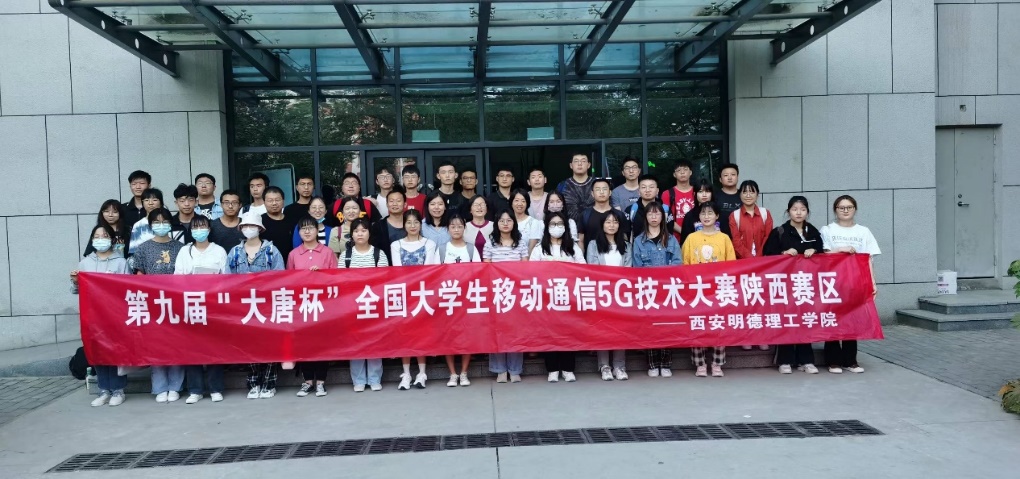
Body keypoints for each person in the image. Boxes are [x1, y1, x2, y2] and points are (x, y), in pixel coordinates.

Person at [226, 212, 286, 398]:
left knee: (269, 343)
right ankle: (253, 383)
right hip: (244, 307)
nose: (248, 229)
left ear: (260, 228)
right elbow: (227, 280)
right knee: (249, 344)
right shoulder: (234, 252)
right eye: (245, 226)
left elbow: (280, 278)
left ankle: (269, 383)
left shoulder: (272, 251)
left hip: (267, 306)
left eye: (252, 226)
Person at [130, 208, 186, 403]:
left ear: (170, 224)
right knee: (156, 345)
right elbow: (139, 275)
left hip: (176, 303)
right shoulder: (143, 248)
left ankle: (176, 386)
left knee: (176, 345)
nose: (161, 225)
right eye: (156, 222)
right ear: (150, 225)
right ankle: (160, 387)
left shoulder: (180, 247)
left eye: (164, 221)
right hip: (153, 304)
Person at [764, 196, 824, 375]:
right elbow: (767, 255)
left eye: (802, 209)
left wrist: (815, 251)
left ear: (807, 212)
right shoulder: (779, 232)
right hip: (785, 285)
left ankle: (806, 360)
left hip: (806, 285)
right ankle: (785, 360)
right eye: (795, 209)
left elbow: (824, 255)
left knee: (805, 320)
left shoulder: (813, 232)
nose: (799, 213)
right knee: (787, 320)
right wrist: (783, 253)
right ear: (788, 211)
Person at [820, 195, 880, 374]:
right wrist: (840, 249)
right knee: (832, 319)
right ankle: (833, 361)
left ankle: (850, 360)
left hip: (855, 282)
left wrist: (873, 282)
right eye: (841, 207)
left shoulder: (864, 232)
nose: (845, 210)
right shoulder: (827, 230)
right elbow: (822, 255)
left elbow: (868, 259)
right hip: (833, 282)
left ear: (855, 209)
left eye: (849, 207)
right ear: (835, 210)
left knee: (852, 320)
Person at [72, 224, 130, 407]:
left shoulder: (121, 262)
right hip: (93, 315)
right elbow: (77, 290)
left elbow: (128, 288)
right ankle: (104, 389)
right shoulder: (85, 263)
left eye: (104, 236)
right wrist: (75, 281)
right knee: (98, 351)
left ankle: (118, 390)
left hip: (114, 314)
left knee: (115, 351)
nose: (100, 239)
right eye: (96, 236)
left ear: (112, 239)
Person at [173, 215, 228, 404]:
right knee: (192, 347)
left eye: (202, 226)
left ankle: (215, 388)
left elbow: (227, 278)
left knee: (214, 347)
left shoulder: (219, 251)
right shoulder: (184, 251)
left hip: (213, 305)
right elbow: (177, 278)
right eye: (195, 227)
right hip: (191, 305)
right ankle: (195, 390)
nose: (199, 230)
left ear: (209, 229)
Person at [682, 202, 736, 378]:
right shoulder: (691, 238)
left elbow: (731, 264)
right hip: (697, 290)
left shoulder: (724, 238)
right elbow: (685, 263)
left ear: (717, 216)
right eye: (703, 213)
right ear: (699, 216)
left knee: (718, 325)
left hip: (718, 289)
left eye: (710, 213)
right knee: (697, 325)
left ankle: (717, 363)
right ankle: (700, 364)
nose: (706, 216)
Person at [529, 212, 585, 383]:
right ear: (547, 227)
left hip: (568, 298)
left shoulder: (572, 247)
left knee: (569, 333)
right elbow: (531, 271)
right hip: (547, 299)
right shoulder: (540, 248)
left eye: (560, 224)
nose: (556, 227)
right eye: (552, 224)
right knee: (549, 333)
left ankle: (568, 368)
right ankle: (552, 369)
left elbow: (582, 268)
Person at [287, 215, 339, 398]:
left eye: (311, 228)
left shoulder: (327, 252)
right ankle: (308, 381)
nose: (307, 231)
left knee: (321, 344)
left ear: (318, 230)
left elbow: (336, 279)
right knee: (303, 344)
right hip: (301, 307)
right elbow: (288, 281)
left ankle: (321, 382)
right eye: (303, 228)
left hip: (323, 306)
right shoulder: (293, 254)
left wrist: (321, 275)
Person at [390, 210, 439, 390]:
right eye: (409, 222)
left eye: (416, 222)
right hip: (403, 294)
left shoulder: (429, 243)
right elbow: (398, 270)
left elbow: (428, 270)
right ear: (404, 224)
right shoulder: (396, 244)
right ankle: (406, 373)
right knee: (405, 334)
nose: (412, 226)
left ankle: (422, 373)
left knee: (421, 334)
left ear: (421, 224)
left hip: (422, 294)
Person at [338, 218, 389, 392]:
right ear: (351, 234)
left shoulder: (379, 254)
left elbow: (384, 280)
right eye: (356, 231)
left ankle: (374, 378)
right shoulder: (346, 256)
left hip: (374, 305)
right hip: (352, 307)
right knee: (355, 342)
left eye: (364, 230)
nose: (360, 234)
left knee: (375, 341)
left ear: (369, 233)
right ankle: (358, 380)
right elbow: (341, 282)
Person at [631, 201, 681, 377]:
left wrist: (664, 277)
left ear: (663, 217)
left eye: (657, 213)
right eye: (650, 213)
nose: (654, 217)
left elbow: (677, 263)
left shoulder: (671, 239)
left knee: (667, 326)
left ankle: (666, 363)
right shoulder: (638, 241)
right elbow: (637, 267)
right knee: (650, 326)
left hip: (668, 290)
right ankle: (652, 364)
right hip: (648, 290)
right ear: (645, 217)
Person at [484, 209, 530, 383]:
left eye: (509, 220)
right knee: (497, 330)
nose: (505, 223)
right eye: (502, 220)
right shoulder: (490, 243)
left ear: (514, 223)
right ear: (496, 223)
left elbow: (525, 268)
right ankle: (500, 370)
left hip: (516, 292)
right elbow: (486, 268)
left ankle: (515, 369)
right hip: (496, 292)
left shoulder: (521, 243)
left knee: (515, 330)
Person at [585, 211, 631, 381]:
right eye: (608, 222)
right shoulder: (593, 244)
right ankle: (604, 366)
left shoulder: (626, 245)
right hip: (601, 293)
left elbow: (628, 269)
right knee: (602, 330)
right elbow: (592, 267)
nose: (612, 225)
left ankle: (619, 366)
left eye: (615, 222)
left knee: (620, 330)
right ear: (602, 225)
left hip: (621, 294)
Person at [728, 180, 772, 352]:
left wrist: (758, 259)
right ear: (740, 195)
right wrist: (749, 259)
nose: (748, 195)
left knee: (761, 301)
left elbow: (768, 237)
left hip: (763, 265)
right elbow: (735, 241)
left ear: (757, 195)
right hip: (743, 265)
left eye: (752, 192)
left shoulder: (765, 214)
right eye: (745, 192)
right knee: (744, 301)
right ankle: (746, 336)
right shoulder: (735, 216)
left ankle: (761, 336)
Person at [437, 213, 480, 386]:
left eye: (459, 226)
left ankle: (464, 372)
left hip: (467, 299)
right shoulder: (442, 249)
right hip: (448, 300)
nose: (456, 229)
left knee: (466, 336)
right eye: (453, 226)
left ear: (464, 228)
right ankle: (452, 373)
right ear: (448, 229)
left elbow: (478, 273)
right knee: (449, 336)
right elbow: (434, 274)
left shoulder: (471, 249)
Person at [579, 178, 629, 253]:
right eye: (598, 189)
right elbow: (580, 240)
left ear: (610, 192)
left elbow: (624, 238)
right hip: (591, 257)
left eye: (605, 189)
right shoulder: (585, 215)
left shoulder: (619, 215)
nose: (601, 192)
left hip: (615, 257)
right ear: (592, 193)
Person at [679, 179, 731, 245]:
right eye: (700, 192)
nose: (704, 195)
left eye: (707, 191)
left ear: (712, 193)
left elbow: (728, 241)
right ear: (695, 194)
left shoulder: (721, 214)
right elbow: (684, 243)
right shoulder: (689, 216)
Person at [626, 174, 671, 241]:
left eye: (651, 187)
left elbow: (669, 233)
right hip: (637, 247)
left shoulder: (665, 210)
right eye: (644, 187)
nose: (647, 190)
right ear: (638, 191)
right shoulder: (631, 210)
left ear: (657, 191)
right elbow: (626, 234)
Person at [661, 160, 696, 243]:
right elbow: (666, 217)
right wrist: (684, 232)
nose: (682, 172)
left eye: (685, 169)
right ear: (674, 174)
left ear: (690, 172)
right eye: (679, 170)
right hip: (675, 240)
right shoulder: (667, 194)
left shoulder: (697, 192)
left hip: (697, 237)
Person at [556, 153, 595, 226]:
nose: (579, 164)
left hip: (595, 227)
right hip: (569, 228)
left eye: (583, 161)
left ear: (589, 165)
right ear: (571, 165)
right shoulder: (562, 185)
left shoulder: (597, 184)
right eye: (576, 161)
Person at [260, 186, 296, 263]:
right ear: (264, 202)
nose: (274, 203)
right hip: (267, 265)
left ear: (283, 201)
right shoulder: (259, 222)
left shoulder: (292, 221)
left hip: (289, 264)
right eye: (270, 200)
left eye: (277, 200)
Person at [371, 189, 408, 263]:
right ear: (387, 204)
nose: (395, 204)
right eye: (391, 201)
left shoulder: (412, 225)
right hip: (386, 266)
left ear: (405, 204)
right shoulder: (378, 226)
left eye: (398, 201)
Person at [509, 189, 542, 253]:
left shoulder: (533, 223)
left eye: (523, 201)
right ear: (511, 203)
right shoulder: (506, 222)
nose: (519, 204)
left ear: (527, 204)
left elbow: (531, 249)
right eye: (516, 200)